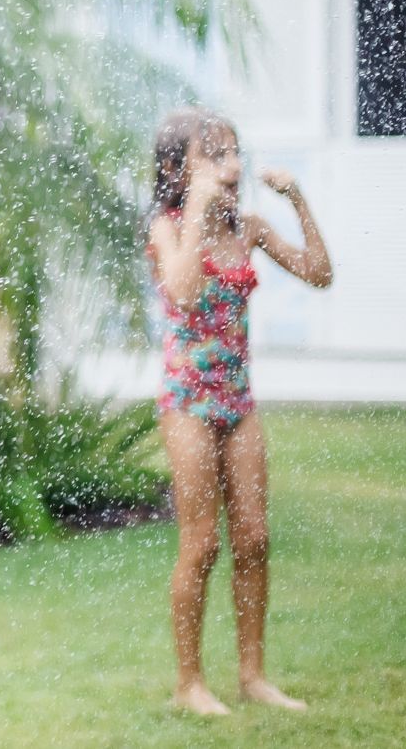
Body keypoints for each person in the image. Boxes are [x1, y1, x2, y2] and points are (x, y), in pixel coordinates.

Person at [146, 107, 332, 716]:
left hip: (237, 402)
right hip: (188, 405)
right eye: (215, 155)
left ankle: (252, 677)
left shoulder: (248, 229)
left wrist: (297, 199)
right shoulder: (168, 229)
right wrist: (198, 210)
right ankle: (189, 684)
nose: (232, 166)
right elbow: (182, 292)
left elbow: (320, 274)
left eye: (234, 153)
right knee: (201, 544)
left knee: (254, 537)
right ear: (177, 170)